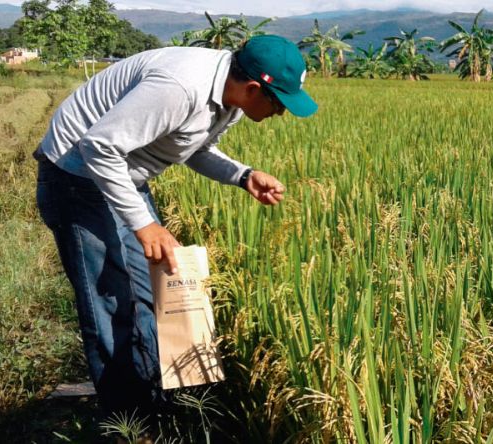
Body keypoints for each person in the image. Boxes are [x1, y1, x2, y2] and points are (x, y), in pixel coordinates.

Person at [33, 35, 317, 416]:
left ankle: (156, 400)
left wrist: (243, 175)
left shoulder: (229, 99)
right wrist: (144, 225)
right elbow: (99, 146)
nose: (281, 113)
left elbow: (194, 147)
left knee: (155, 292)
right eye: (279, 103)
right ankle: (130, 425)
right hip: (77, 176)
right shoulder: (180, 87)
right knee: (110, 304)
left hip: (123, 173)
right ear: (253, 88)